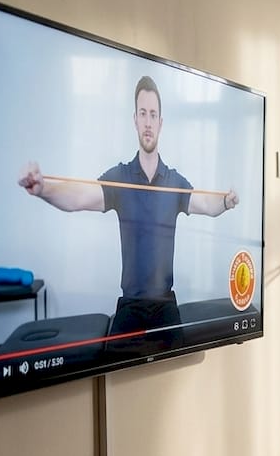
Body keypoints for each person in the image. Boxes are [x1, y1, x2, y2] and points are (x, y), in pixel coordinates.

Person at [17, 76, 238, 351]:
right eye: (143, 113)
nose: (148, 121)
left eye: (153, 114)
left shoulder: (174, 182)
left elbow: (207, 204)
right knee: (113, 363)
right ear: (135, 119)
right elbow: (78, 198)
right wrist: (43, 188)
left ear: (160, 122)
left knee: (179, 362)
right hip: (130, 304)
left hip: (165, 304)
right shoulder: (119, 177)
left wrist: (226, 202)